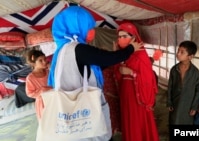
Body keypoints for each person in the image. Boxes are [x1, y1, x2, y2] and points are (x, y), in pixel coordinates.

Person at [47, 6, 142, 141]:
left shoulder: (63, 49)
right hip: (83, 110)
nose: (91, 32)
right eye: (88, 27)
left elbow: (90, 67)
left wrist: (117, 55)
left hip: (70, 110)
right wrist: (130, 49)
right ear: (76, 26)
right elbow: (106, 58)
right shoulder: (78, 49)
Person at [114, 22, 159, 141]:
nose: (121, 39)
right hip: (125, 93)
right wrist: (117, 62)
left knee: (137, 120)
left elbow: (149, 78)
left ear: (133, 38)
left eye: (124, 36)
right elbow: (116, 74)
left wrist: (131, 72)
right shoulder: (121, 54)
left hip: (137, 96)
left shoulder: (140, 55)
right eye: (119, 37)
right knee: (127, 119)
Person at [167, 40, 199, 125]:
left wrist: (194, 107)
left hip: (188, 105)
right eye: (178, 51)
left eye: (182, 52)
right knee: (173, 122)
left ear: (190, 56)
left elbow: (198, 91)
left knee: (186, 122)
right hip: (175, 103)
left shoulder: (195, 72)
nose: (178, 54)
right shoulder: (174, 69)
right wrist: (169, 102)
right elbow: (170, 87)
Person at [25, 50, 52, 121]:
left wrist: (51, 69)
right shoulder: (30, 78)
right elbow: (30, 93)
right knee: (48, 121)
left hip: (53, 98)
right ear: (33, 63)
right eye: (40, 60)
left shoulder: (48, 71)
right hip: (43, 103)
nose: (44, 62)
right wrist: (42, 90)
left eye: (45, 59)